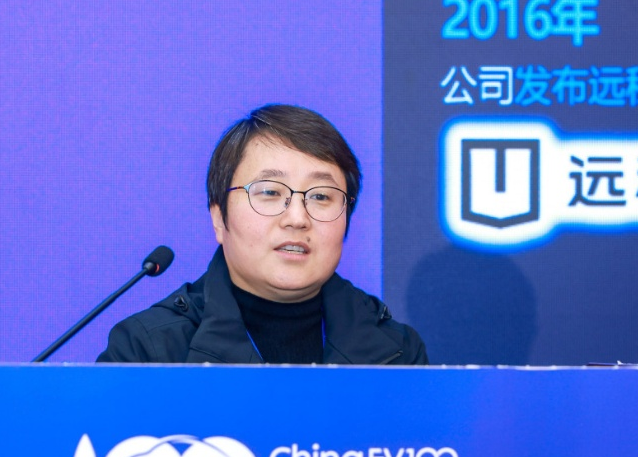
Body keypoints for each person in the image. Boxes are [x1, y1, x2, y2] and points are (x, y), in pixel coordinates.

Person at [98, 104, 426, 365]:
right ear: (218, 217)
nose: (297, 218)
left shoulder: (396, 353)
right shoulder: (149, 352)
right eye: (269, 192)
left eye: (321, 196)